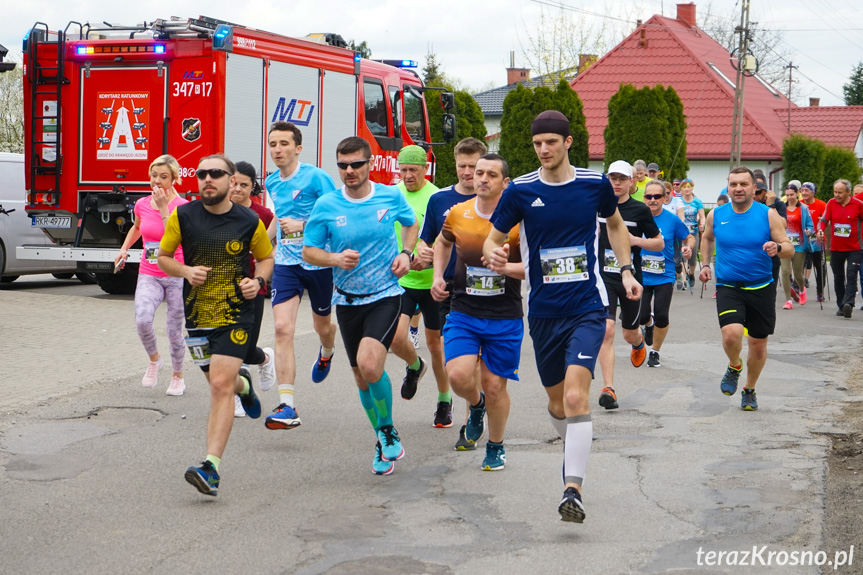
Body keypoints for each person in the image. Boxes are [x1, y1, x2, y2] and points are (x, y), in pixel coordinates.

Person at [484, 110, 641, 523]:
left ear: (568, 142)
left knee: (576, 396)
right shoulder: (520, 190)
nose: (543, 149)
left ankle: (573, 486)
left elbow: (616, 226)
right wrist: (493, 252)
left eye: (551, 142)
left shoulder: (593, 184)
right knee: (558, 403)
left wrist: (625, 271)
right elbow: (493, 239)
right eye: (538, 143)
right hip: (543, 312)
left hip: (588, 305)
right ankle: (577, 441)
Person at [159, 154, 274, 496]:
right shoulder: (183, 216)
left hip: (237, 313)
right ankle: (245, 385)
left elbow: (266, 259)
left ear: (230, 180)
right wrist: (184, 271)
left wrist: (259, 281)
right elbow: (162, 257)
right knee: (221, 383)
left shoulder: (249, 220)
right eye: (202, 174)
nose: (207, 179)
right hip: (197, 314)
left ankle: (210, 467)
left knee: (219, 386)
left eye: (216, 174)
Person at [302, 136, 419, 476]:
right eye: (343, 165)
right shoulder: (326, 205)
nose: (349, 171)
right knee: (361, 378)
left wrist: (405, 253)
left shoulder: (390, 195)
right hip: (347, 299)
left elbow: (410, 222)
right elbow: (309, 251)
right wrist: (334, 257)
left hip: (385, 294)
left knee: (370, 365)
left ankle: (386, 429)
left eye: (356, 164)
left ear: (370, 164)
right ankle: (381, 440)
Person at [431, 153, 524, 470]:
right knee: (457, 375)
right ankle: (476, 404)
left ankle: (495, 446)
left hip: (505, 315)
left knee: (496, 385)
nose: (481, 178)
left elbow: (538, 267)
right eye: (478, 172)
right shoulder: (458, 213)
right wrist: (437, 276)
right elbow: (442, 243)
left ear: (505, 183)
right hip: (464, 311)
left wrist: (507, 267)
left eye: (491, 174)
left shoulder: (519, 221)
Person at [263, 121, 339, 431]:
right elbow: (279, 223)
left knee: (323, 326)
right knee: (282, 329)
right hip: (286, 265)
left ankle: (327, 350)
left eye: (283, 143)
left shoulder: (316, 177)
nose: (277, 149)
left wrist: (304, 226)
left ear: (298, 147)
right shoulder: (271, 182)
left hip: (318, 262)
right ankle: (287, 405)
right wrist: (259, 244)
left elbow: (337, 215)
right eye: (272, 144)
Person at [698, 166, 792, 412]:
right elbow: (707, 238)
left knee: (758, 344)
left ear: (754, 188)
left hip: (761, 286)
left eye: (743, 184)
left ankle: (749, 389)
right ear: (728, 188)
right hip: (728, 285)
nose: (738, 188)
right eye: (733, 184)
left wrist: (778, 249)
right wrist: (705, 264)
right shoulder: (716, 215)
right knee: (731, 334)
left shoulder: (768, 215)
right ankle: (734, 365)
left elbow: (789, 246)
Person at [419, 137, 487, 449]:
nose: (468, 172)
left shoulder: (500, 199)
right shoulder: (440, 200)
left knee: (477, 362)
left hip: (489, 289)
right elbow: (428, 241)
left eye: (474, 167)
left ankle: (469, 419)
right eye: (462, 166)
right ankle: (473, 405)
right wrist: (427, 263)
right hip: (451, 289)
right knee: (458, 359)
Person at [388, 145, 450, 428]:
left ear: (425, 169)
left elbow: (447, 238)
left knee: (435, 346)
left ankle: (444, 400)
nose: (407, 175)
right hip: (401, 281)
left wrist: (429, 256)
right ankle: (415, 366)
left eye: (413, 169)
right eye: (403, 169)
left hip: (432, 282)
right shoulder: (392, 194)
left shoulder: (436, 197)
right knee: (395, 337)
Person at [114, 155, 188, 395]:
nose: (157, 181)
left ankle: (178, 376)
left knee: (174, 330)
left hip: (176, 274)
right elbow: (137, 227)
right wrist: (124, 249)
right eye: (154, 175)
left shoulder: (183, 207)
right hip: (149, 272)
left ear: (175, 178)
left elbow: (175, 237)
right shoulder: (142, 204)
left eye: (163, 177)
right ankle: (155, 360)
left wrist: (165, 206)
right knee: (143, 320)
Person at [596, 163, 662, 410]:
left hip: (630, 278)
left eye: (622, 179)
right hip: (603, 278)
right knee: (607, 330)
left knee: (628, 332)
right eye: (612, 178)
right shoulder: (596, 207)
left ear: (632, 182)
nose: (616, 183)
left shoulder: (639, 210)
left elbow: (659, 243)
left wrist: (634, 240)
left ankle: (637, 343)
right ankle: (608, 388)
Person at [230, 161, 277, 417]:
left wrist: (260, 277)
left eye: (243, 185)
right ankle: (236, 394)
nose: (237, 189)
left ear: (252, 188)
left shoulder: (264, 216)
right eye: (233, 183)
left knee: (247, 350)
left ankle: (265, 358)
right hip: (222, 288)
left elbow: (273, 250)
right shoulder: (216, 211)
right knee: (228, 347)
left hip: (253, 289)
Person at [639, 180, 694, 367]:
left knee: (662, 315)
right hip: (641, 275)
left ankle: (655, 351)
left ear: (664, 198)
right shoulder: (637, 217)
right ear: (644, 198)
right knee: (641, 314)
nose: (652, 200)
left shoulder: (671, 220)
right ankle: (648, 325)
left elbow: (689, 237)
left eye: (657, 196)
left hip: (665, 274)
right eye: (648, 196)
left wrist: (688, 247)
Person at [817, 179, 863, 318]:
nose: (836, 195)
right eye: (835, 192)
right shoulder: (831, 203)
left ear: (848, 192)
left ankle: (849, 303)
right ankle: (841, 305)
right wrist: (820, 231)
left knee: (851, 274)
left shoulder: (859, 205)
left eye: (840, 192)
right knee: (838, 277)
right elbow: (823, 220)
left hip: (855, 247)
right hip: (836, 248)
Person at [779, 184, 814, 310]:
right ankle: (788, 300)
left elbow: (810, 225)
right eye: (787, 195)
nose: (789, 197)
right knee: (785, 272)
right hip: (784, 244)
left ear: (797, 193)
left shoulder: (804, 208)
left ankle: (802, 289)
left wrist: (809, 231)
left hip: (799, 245)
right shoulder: (781, 208)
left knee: (798, 274)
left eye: (792, 195)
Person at [800, 182, 827, 301]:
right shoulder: (799, 204)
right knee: (799, 265)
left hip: (817, 240)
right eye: (802, 190)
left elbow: (827, 221)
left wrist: (821, 227)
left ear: (813, 192)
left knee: (819, 267)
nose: (804, 193)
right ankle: (799, 289)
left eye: (807, 190)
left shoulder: (821, 204)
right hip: (802, 241)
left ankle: (820, 291)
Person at [678, 179, 704, 289]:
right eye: (684, 187)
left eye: (688, 187)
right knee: (682, 257)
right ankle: (683, 281)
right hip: (682, 232)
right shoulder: (678, 201)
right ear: (681, 189)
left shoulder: (697, 201)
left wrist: (702, 224)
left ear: (692, 188)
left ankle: (691, 274)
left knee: (692, 259)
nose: (686, 189)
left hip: (694, 232)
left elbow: (702, 216)